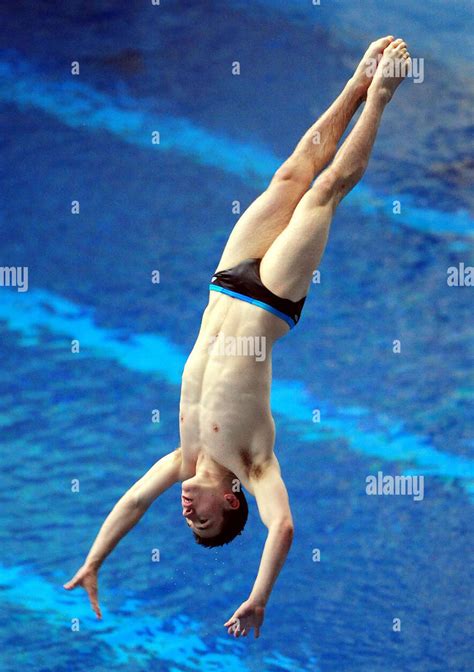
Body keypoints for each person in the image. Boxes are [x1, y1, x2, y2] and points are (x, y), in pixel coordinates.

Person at [64, 37, 410, 638]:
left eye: (188, 521)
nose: (186, 513)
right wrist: (258, 598)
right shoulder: (254, 465)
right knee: (324, 192)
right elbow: (284, 529)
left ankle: (356, 81)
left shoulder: (182, 460)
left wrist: (95, 561)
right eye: (201, 522)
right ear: (229, 504)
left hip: (227, 284)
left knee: (292, 170)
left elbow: (131, 504)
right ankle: (381, 94)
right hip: (270, 299)